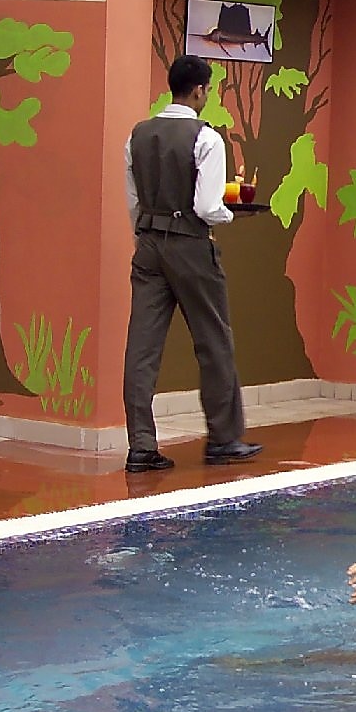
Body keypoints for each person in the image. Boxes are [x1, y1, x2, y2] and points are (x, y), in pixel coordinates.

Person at [122, 55, 261, 472]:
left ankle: (141, 445)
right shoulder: (207, 138)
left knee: (142, 348)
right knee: (213, 339)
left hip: (148, 244)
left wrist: (145, 237)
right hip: (191, 244)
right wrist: (230, 215)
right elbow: (206, 206)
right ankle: (223, 438)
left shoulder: (137, 136)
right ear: (200, 90)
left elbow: (133, 201)